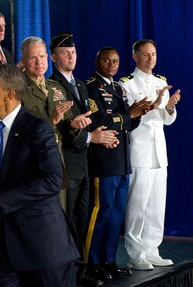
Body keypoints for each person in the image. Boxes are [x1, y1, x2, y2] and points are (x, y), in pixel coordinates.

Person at [0, 64, 79, 287]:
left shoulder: (37, 128)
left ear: (9, 94)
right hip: (9, 246)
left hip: (44, 248)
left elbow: (51, 180)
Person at [49, 33, 119, 285]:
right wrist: (89, 137)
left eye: (74, 52)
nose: (71, 57)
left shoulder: (80, 85)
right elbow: (61, 127)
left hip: (84, 162)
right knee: (66, 220)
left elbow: (90, 118)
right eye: (65, 53)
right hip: (67, 162)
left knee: (81, 218)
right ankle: (67, 274)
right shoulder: (52, 86)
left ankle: (79, 271)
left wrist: (99, 135)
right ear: (53, 57)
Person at [84, 46, 150, 280]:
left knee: (117, 214)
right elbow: (99, 120)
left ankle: (109, 260)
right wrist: (128, 115)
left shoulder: (119, 88)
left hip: (122, 158)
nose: (112, 64)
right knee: (101, 212)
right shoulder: (91, 86)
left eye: (115, 61)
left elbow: (127, 124)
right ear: (97, 61)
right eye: (106, 60)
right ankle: (92, 262)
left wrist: (139, 113)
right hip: (104, 159)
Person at [119, 39, 181, 271]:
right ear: (135, 56)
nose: (150, 58)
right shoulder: (126, 84)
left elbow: (166, 121)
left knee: (156, 205)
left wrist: (170, 107)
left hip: (159, 153)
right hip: (139, 151)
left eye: (153, 54)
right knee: (137, 205)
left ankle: (152, 249)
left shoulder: (160, 82)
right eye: (145, 55)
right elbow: (129, 118)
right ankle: (135, 253)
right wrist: (152, 107)